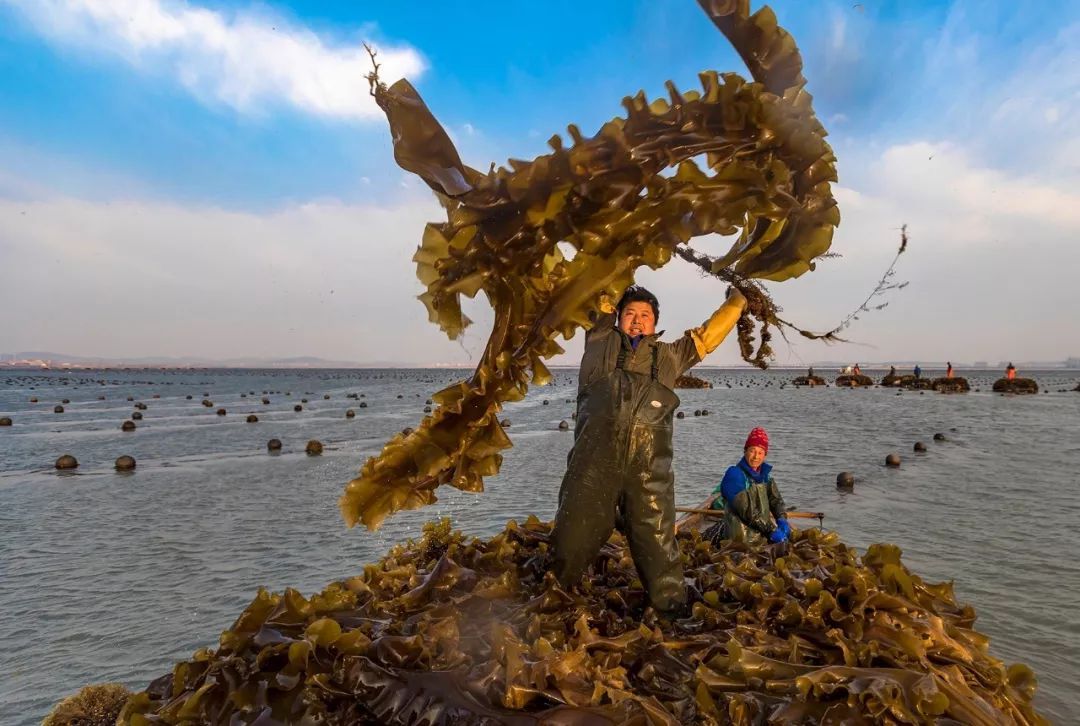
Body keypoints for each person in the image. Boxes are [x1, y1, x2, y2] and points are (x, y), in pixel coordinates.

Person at [552, 285, 747, 616]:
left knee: (659, 552)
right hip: (591, 474)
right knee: (568, 545)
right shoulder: (599, 341)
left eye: (645, 315)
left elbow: (707, 337)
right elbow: (603, 287)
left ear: (655, 324)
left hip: (649, 478)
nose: (637, 321)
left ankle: (672, 615)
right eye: (629, 314)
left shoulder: (670, 356)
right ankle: (552, 603)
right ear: (616, 319)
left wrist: (736, 302)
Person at [682, 427, 789, 545]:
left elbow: (776, 500)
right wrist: (770, 531)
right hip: (739, 539)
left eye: (760, 452)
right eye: (752, 451)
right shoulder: (734, 475)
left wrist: (782, 519)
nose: (756, 457)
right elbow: (748, 512)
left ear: (765, 455)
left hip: (761, 535)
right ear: (745, 451)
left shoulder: (766, 477)